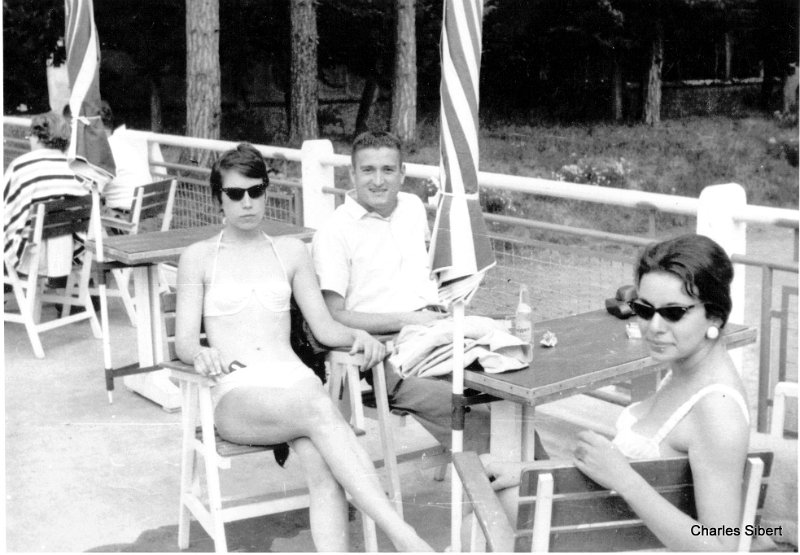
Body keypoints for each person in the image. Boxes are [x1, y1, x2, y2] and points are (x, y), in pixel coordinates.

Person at [174, 142, 432, 552]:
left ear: (266, 192)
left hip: (294, 384)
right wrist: (199, 353)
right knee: (320, 412)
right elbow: (185, 340)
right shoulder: (200, 258)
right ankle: (407, 540)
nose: (247, 203)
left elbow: (327, 328)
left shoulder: (290, 251)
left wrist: (358, 337)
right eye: (235, 194)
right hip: (239, 391)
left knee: (324, 469)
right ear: (217, 198)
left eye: (256, 191)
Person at [471, 234, 752, 551]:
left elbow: (721, 545)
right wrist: (528, 470)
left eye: (673, 313)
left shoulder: (718, 409)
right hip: (610, 534)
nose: (654, 327)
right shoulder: (686, 371)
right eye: (644, 309)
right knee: (488, 473)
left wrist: (625, 480)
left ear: (714, 314)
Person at [4, 111, 89, 280]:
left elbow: (6, 210)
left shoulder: (21, 167)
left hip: (26, 256)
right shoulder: (76, 171)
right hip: (64, 256)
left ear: (36, 137)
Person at [99, 101, 154, 217]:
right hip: (147, 210)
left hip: (124, 216)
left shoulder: (104, 149)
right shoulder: (132, 139)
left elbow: (93, 189)